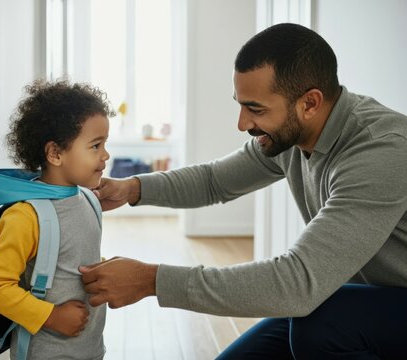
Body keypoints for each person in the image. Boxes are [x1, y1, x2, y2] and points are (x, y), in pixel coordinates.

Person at [79, 23, 407, 359]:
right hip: (358, 301)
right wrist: (130, 189)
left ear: (310, 103)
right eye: (240, 105)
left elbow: (297, 282)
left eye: (256, 109)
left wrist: (151, 280)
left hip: (382, 304)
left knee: (321, 324)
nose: (242, 123)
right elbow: (215, 181)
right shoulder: (290, 137)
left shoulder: (381, 151)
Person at [0, 79, 112, 360]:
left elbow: (73, 260)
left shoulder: (88, 199)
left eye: (105, 144)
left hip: (89, 348)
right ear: (55, 153)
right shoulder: (26, 217)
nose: (105, 155)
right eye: (95, 146)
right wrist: (51, 315)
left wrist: (104, 269)